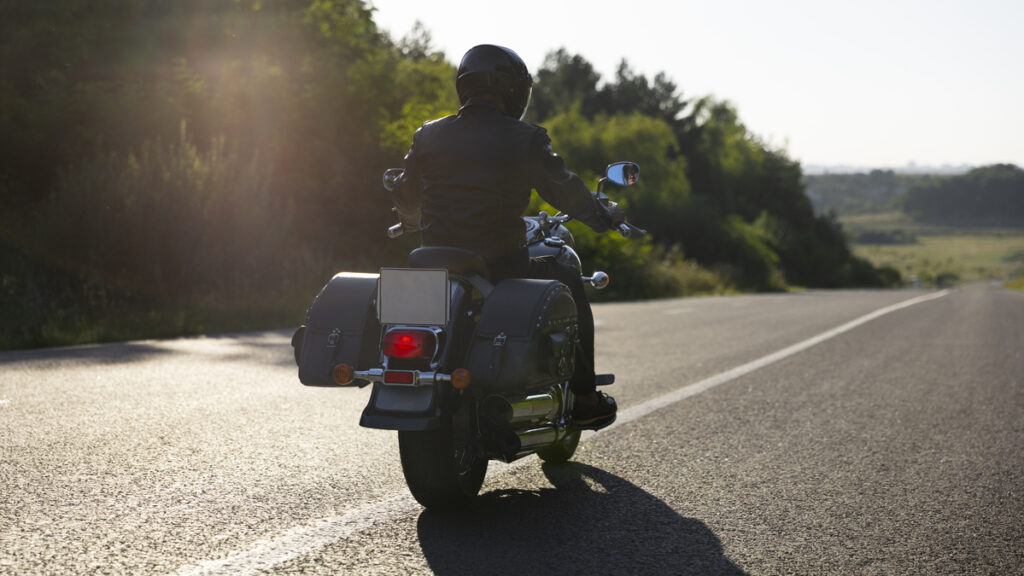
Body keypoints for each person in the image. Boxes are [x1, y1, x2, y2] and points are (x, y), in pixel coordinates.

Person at [390, 44, 624, 428]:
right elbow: (562, 188)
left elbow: (405, 192)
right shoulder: (524, 138)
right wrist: (604, 216)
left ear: (464, 87)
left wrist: (413, 220)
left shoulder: (427, 135)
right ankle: (583, 397)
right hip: (500, 260)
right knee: (565, 266)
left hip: (431, 259)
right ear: (514, 91)